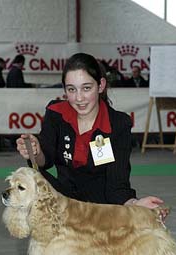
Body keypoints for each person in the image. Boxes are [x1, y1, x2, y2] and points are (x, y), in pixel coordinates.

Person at [16, 52, 164, 210]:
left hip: (100, 210)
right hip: (63, 203)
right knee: (30, 175)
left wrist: (136, 205)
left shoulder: (119, 124)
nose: (79, 98)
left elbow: (117, 186)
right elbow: (44, 162)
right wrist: (35, 152)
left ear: (100, 85)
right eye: (71, 90)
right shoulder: (56, 113)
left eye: (86, 88)